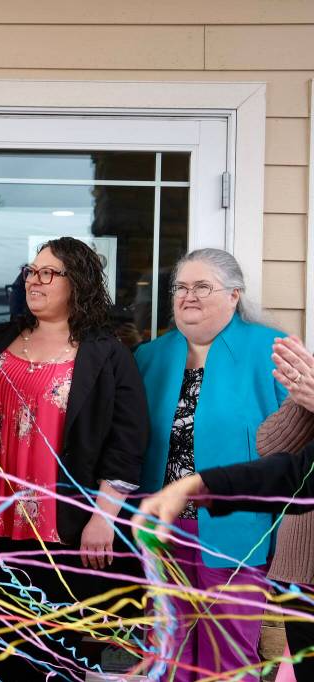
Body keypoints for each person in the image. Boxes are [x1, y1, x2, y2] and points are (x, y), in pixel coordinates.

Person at [0, 237, 148, 680]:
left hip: (64, 529)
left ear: (78, 283)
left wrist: (103, 516)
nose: (35, 280)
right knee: (0, 653)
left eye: (48, 272)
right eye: (32, 271)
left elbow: (127, 442)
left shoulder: (107, 353)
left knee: (58, 655)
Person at [134, 248, 286, 681]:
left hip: (236, 526)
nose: (189, 296)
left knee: (228, 652)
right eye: (181, 287)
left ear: (234, 294)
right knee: (167, 650)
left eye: (203, 287)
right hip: (164, 526)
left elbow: (293, 445)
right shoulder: (149, 356)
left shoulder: (271, 350)